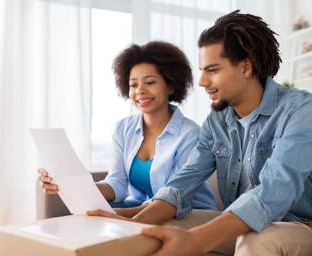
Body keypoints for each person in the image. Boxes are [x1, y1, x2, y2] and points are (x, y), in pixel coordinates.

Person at [88, 10, 312, 256]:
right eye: (202, 71)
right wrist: (129, 224)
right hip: (236, 223)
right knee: (162, 226)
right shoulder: (217, 121)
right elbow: (180, 186)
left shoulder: (301, 108)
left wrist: (195, 241)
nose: (202, 82)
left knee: (259, 240)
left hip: (300, 229)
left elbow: (276, 188)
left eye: (212, 70)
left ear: (246, 67)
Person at [38, 41, 216, 212]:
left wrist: (121, 216)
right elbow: (117, 184)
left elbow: (174, 196)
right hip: (142, 208)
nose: (140, 90)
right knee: (88, 219)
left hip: (187, 212)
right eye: (133, 84)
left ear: (170, 85)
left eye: (150, 82)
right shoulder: (123, 129)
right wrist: (72, 186)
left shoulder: (189, 134)